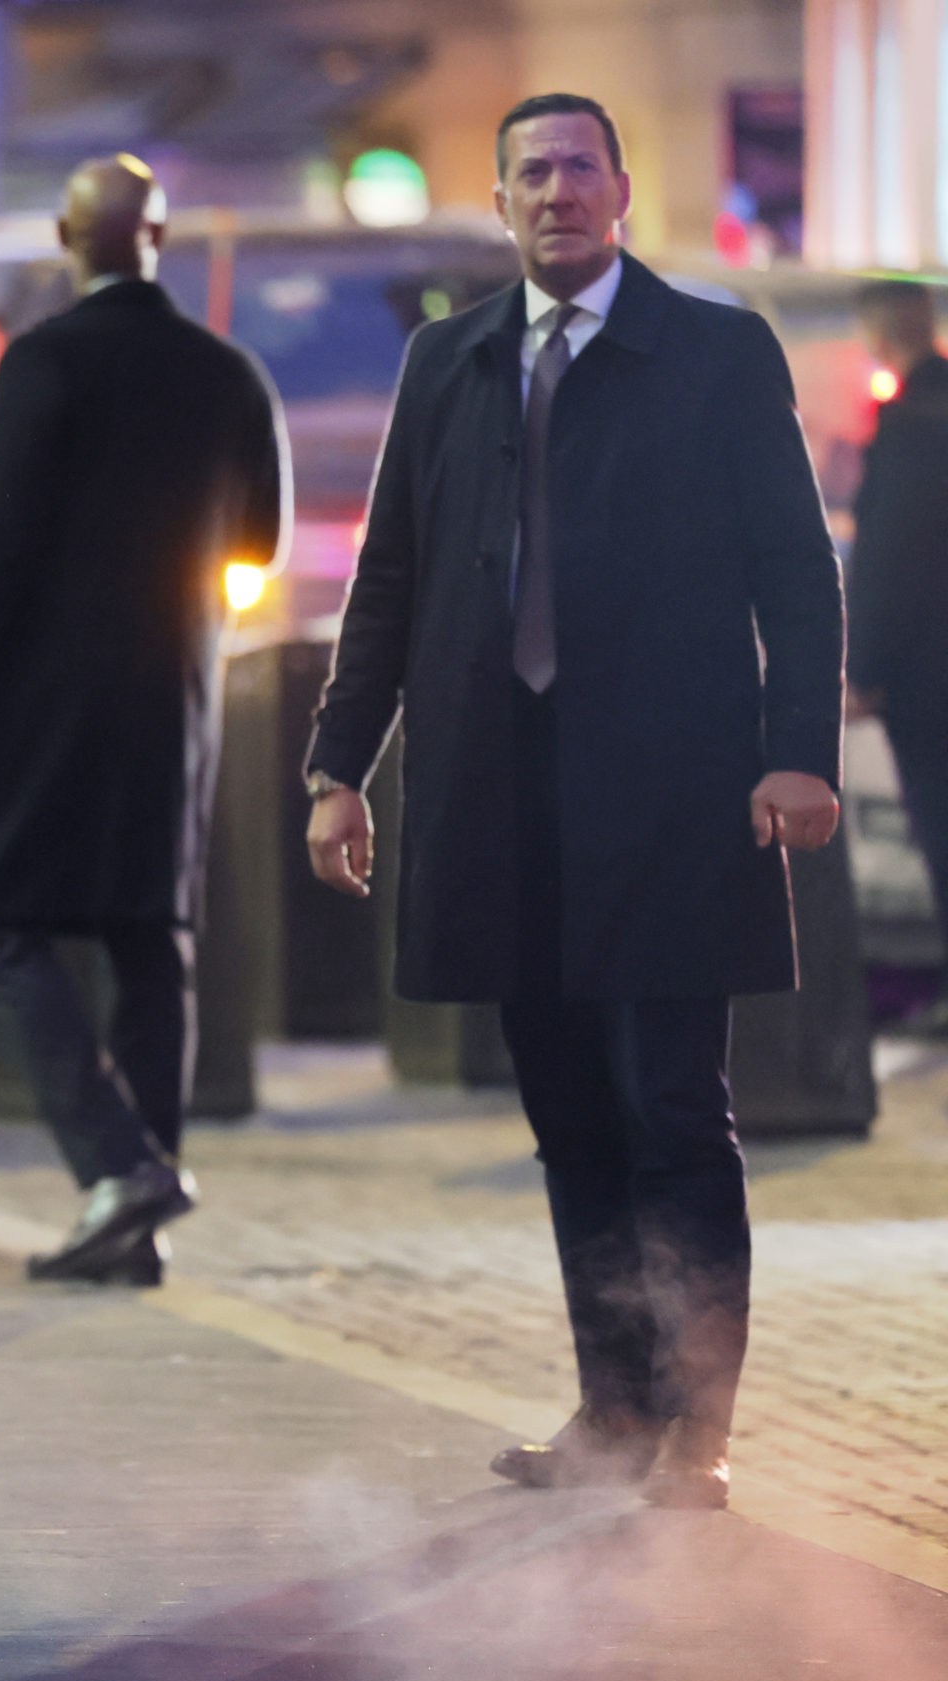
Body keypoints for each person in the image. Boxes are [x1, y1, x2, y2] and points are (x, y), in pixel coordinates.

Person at [304, 94, 842, 1512]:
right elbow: (394, 582)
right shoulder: (451, 359)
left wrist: (801, 752)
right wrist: (334, 766)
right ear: (501, 201)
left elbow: (796, 568)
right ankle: (614, 1407)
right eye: (530, 173)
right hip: (502, 800)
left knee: (671, 1106)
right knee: (569, 1117)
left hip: (673, 797)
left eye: (578, 169)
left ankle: (700, 1428)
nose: (556, 192)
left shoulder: (715, 349)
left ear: (620, 187)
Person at [0, 153, 288, 1287]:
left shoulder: (42, 364)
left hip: (41, 698)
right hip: (171, 698)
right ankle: (133, 1230)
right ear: (160, 235)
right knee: (154, 947)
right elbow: (260, 545)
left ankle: (117, 1164)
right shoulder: (227, 374)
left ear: (67, 234)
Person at [847, 278, 948, 1029]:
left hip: (927, 669)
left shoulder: (911, 420)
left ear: (879, 332)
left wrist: (868, 668)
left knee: (940, 817)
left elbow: (892, 557)